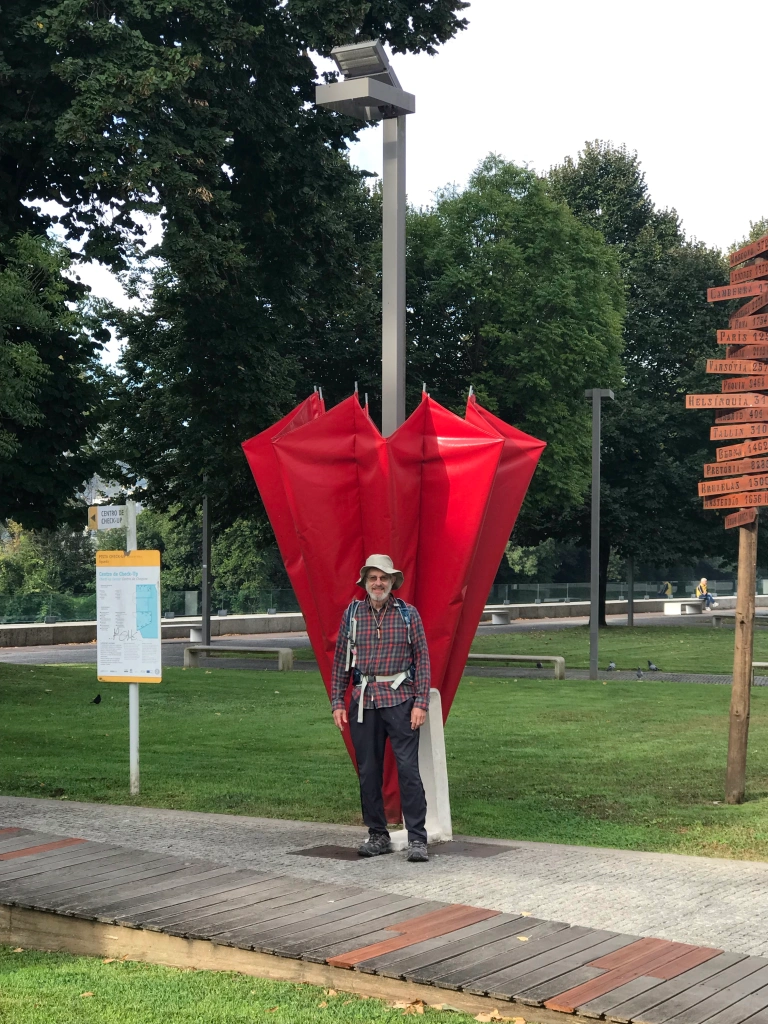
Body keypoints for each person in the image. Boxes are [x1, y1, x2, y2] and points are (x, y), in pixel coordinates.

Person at [331, 554, 430, 863]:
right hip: (364, 701)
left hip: (400, 701)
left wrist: (421, 703)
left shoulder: (408, 614)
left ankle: (417, 838)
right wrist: (337, 701)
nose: (378, 583)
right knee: (369, 771)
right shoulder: (353, 614)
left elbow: (422, 660)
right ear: (365, 582)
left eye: (383, 578)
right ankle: (377, 834)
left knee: (408, 770)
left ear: (392, 582)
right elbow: (340, 661)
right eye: (373, 578)